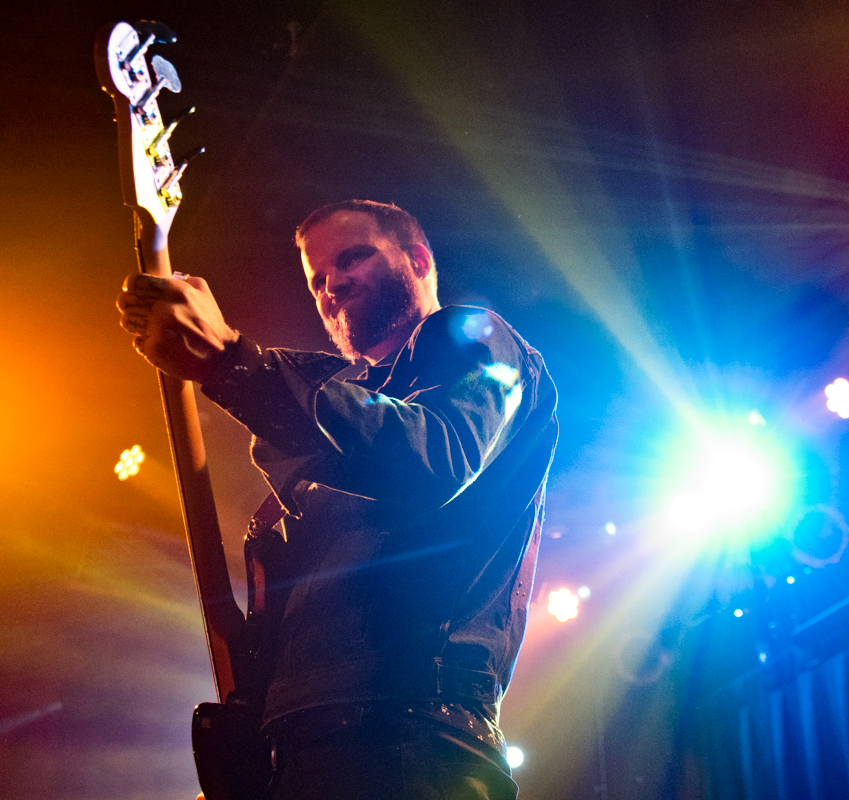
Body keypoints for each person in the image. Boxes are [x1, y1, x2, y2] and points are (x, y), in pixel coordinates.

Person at [116, 200, 558, 799]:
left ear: (419, 259)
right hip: (302, 751)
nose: (332, 284)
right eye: (318, 279)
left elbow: (436, 456)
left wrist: (231, 362)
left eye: (354, 257)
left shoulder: (471, 336)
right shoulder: (336, 401)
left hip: (409, 740)